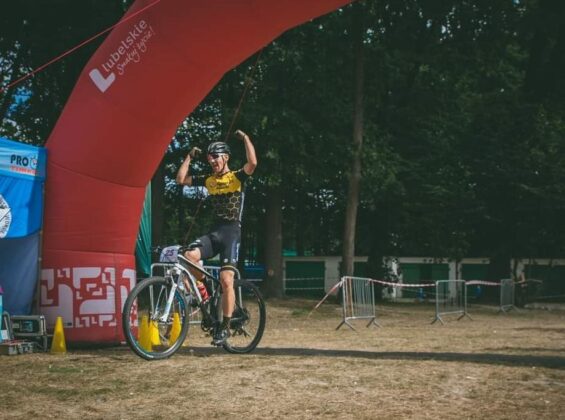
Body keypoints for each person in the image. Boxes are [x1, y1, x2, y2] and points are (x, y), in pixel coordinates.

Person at [176, 129, 257, 345]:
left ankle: (225, 326)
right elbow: (181, 179)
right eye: (209, 157)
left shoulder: (237, 176)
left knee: (227, 279)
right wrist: (189, 157)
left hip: (232, 233)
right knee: (187, 255)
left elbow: (253, 163)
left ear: (226, 158)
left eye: (215, 156)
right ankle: (205, 288)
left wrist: (246, 139)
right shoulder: (209, 180)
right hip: (215, 232)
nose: (212, 160)